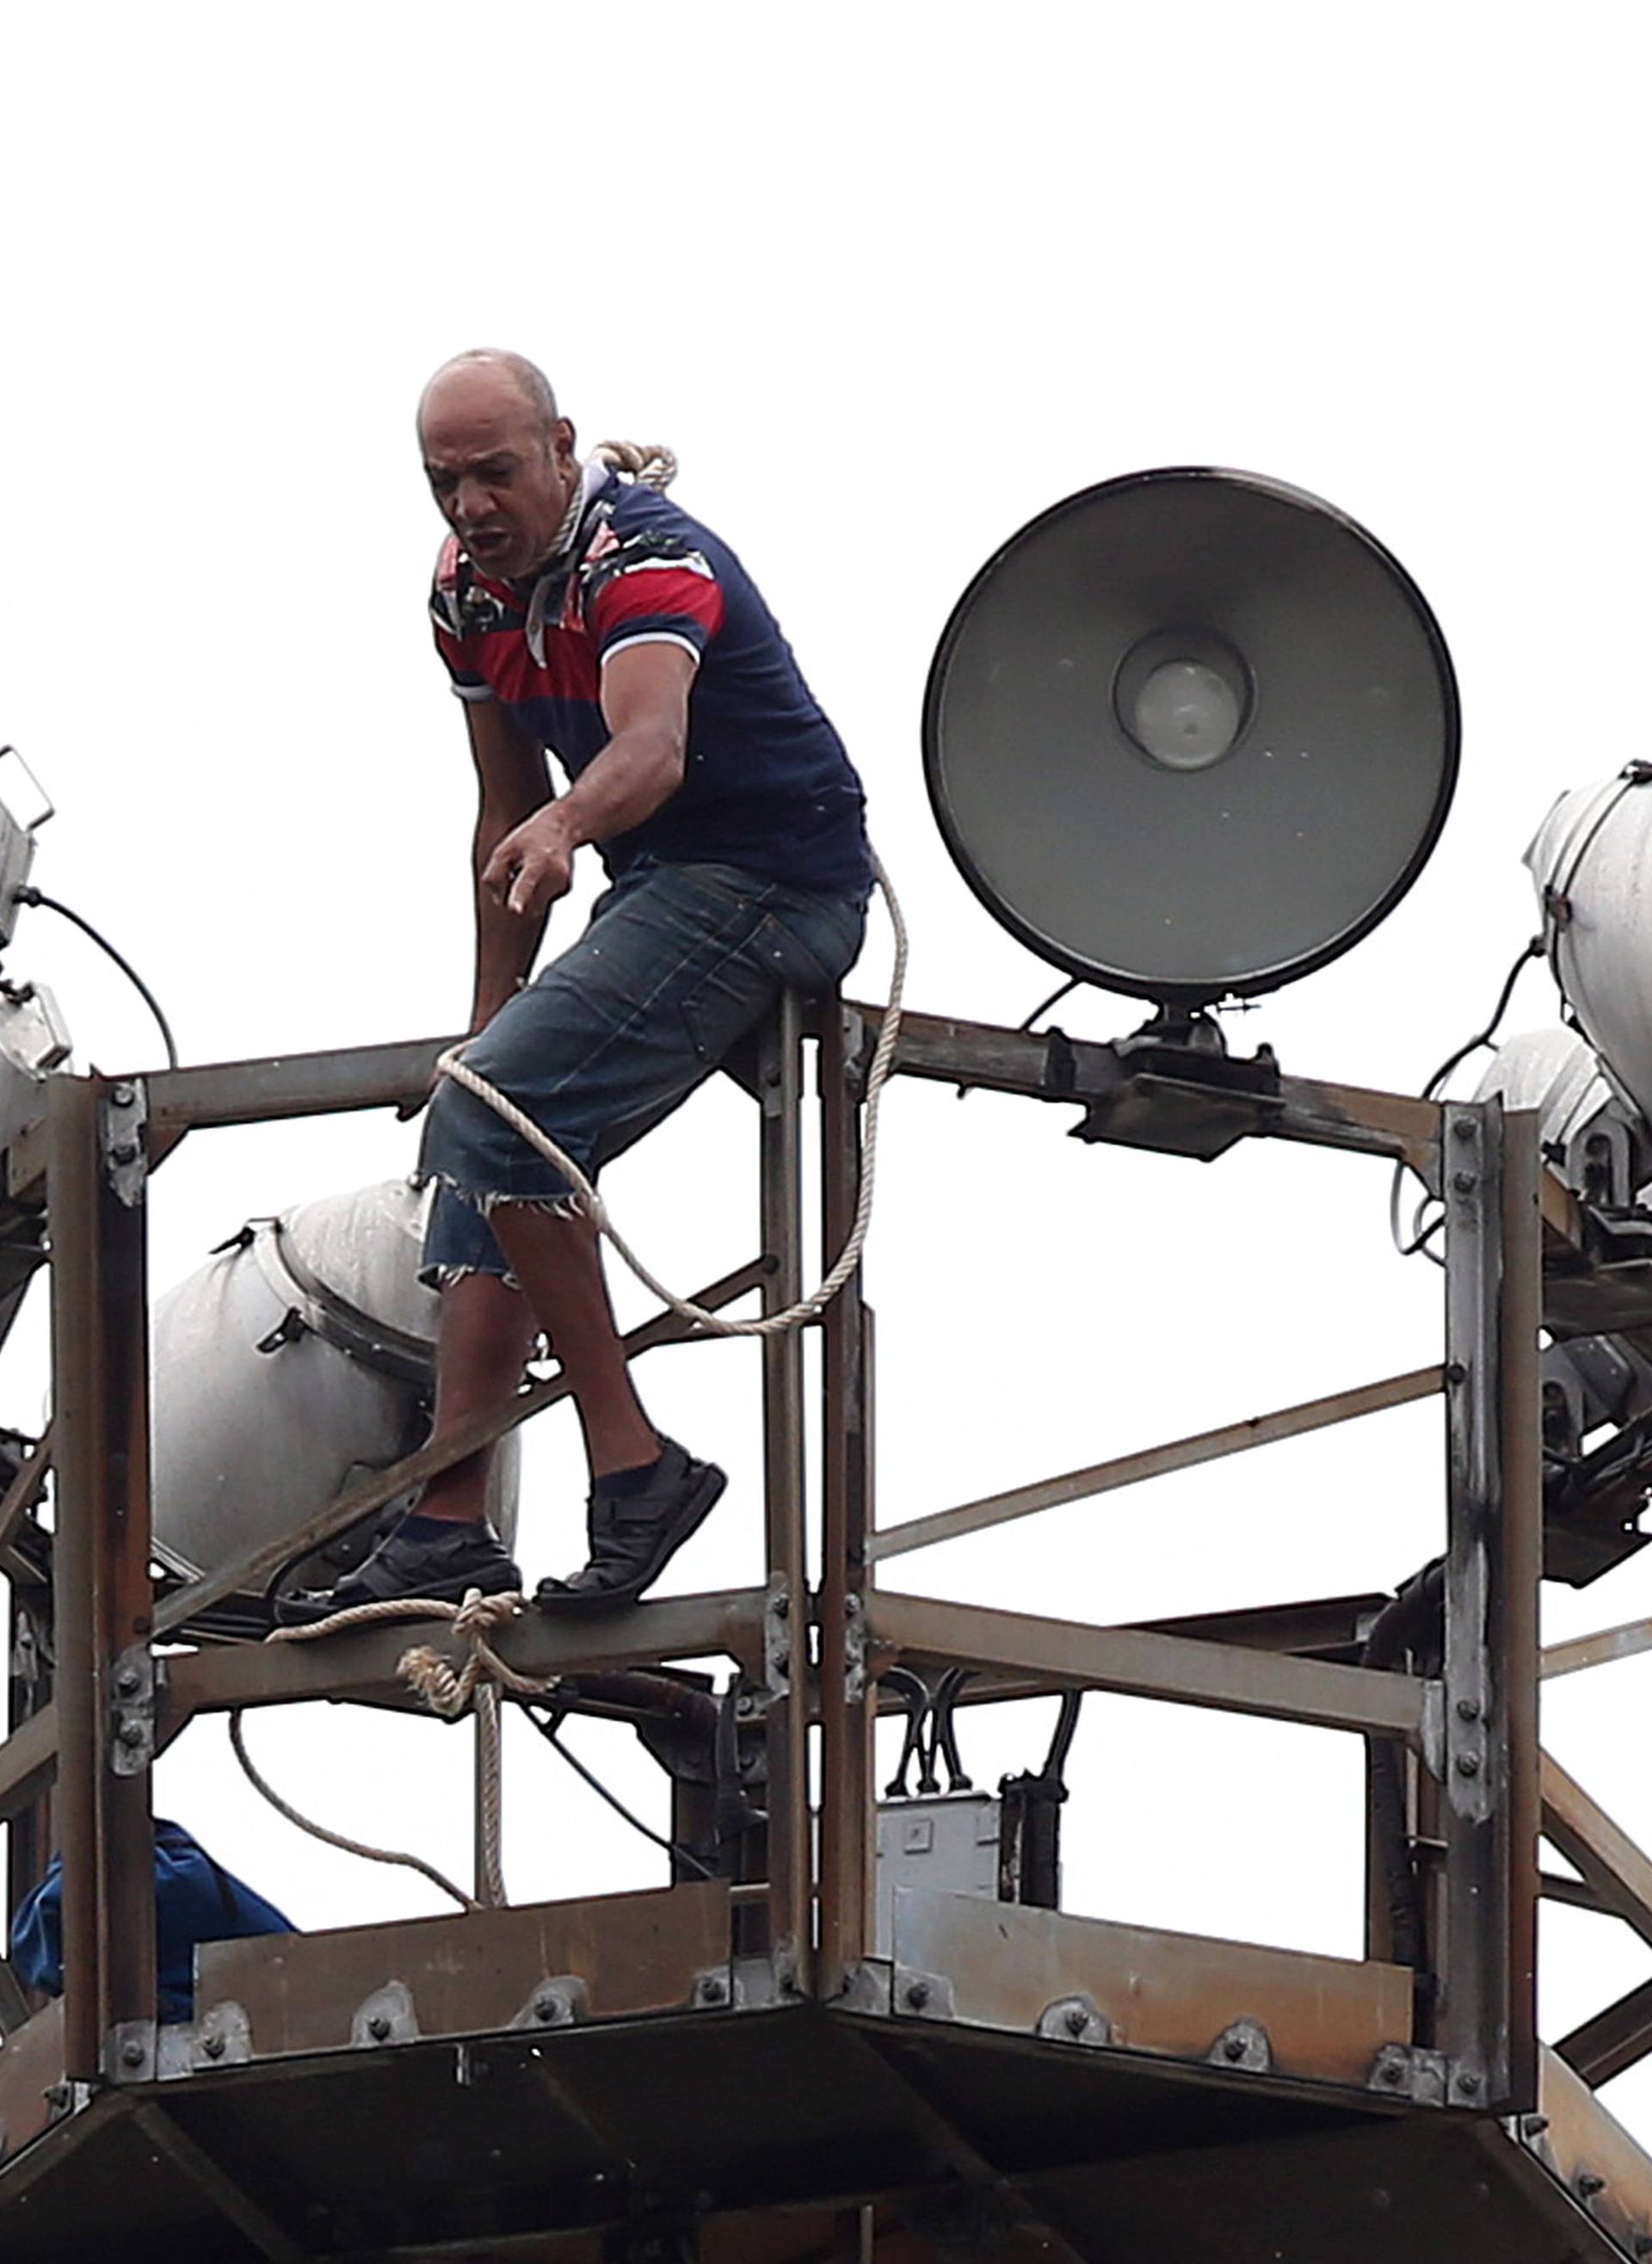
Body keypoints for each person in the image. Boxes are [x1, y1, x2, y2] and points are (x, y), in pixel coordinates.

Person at [287, 350, 871, 1619]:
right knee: (485, 1124)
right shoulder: (466, 594)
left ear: (562, 447)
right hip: (664, 888)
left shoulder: (642, 558)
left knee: (498, 1110)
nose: (470, 506)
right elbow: (505, 803)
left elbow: (649, 748)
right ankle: (450, 1515)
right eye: (444, 482)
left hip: (776, 881)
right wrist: (491, 1015)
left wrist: (567, 833)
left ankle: (635, 1467)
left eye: (495, 472)